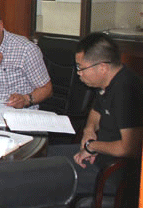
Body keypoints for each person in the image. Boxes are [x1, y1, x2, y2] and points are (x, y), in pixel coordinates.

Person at [48, 33, 143, 196]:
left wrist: (91, 147)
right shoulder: (107, 82)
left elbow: (129, 148)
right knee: (42, 157)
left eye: (81, 68)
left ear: (102, 67)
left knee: (43, 179)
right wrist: (89, 130)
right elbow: (96, 111)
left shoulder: (126, 91)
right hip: (100, 155)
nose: (79, 73)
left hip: (112, 172)